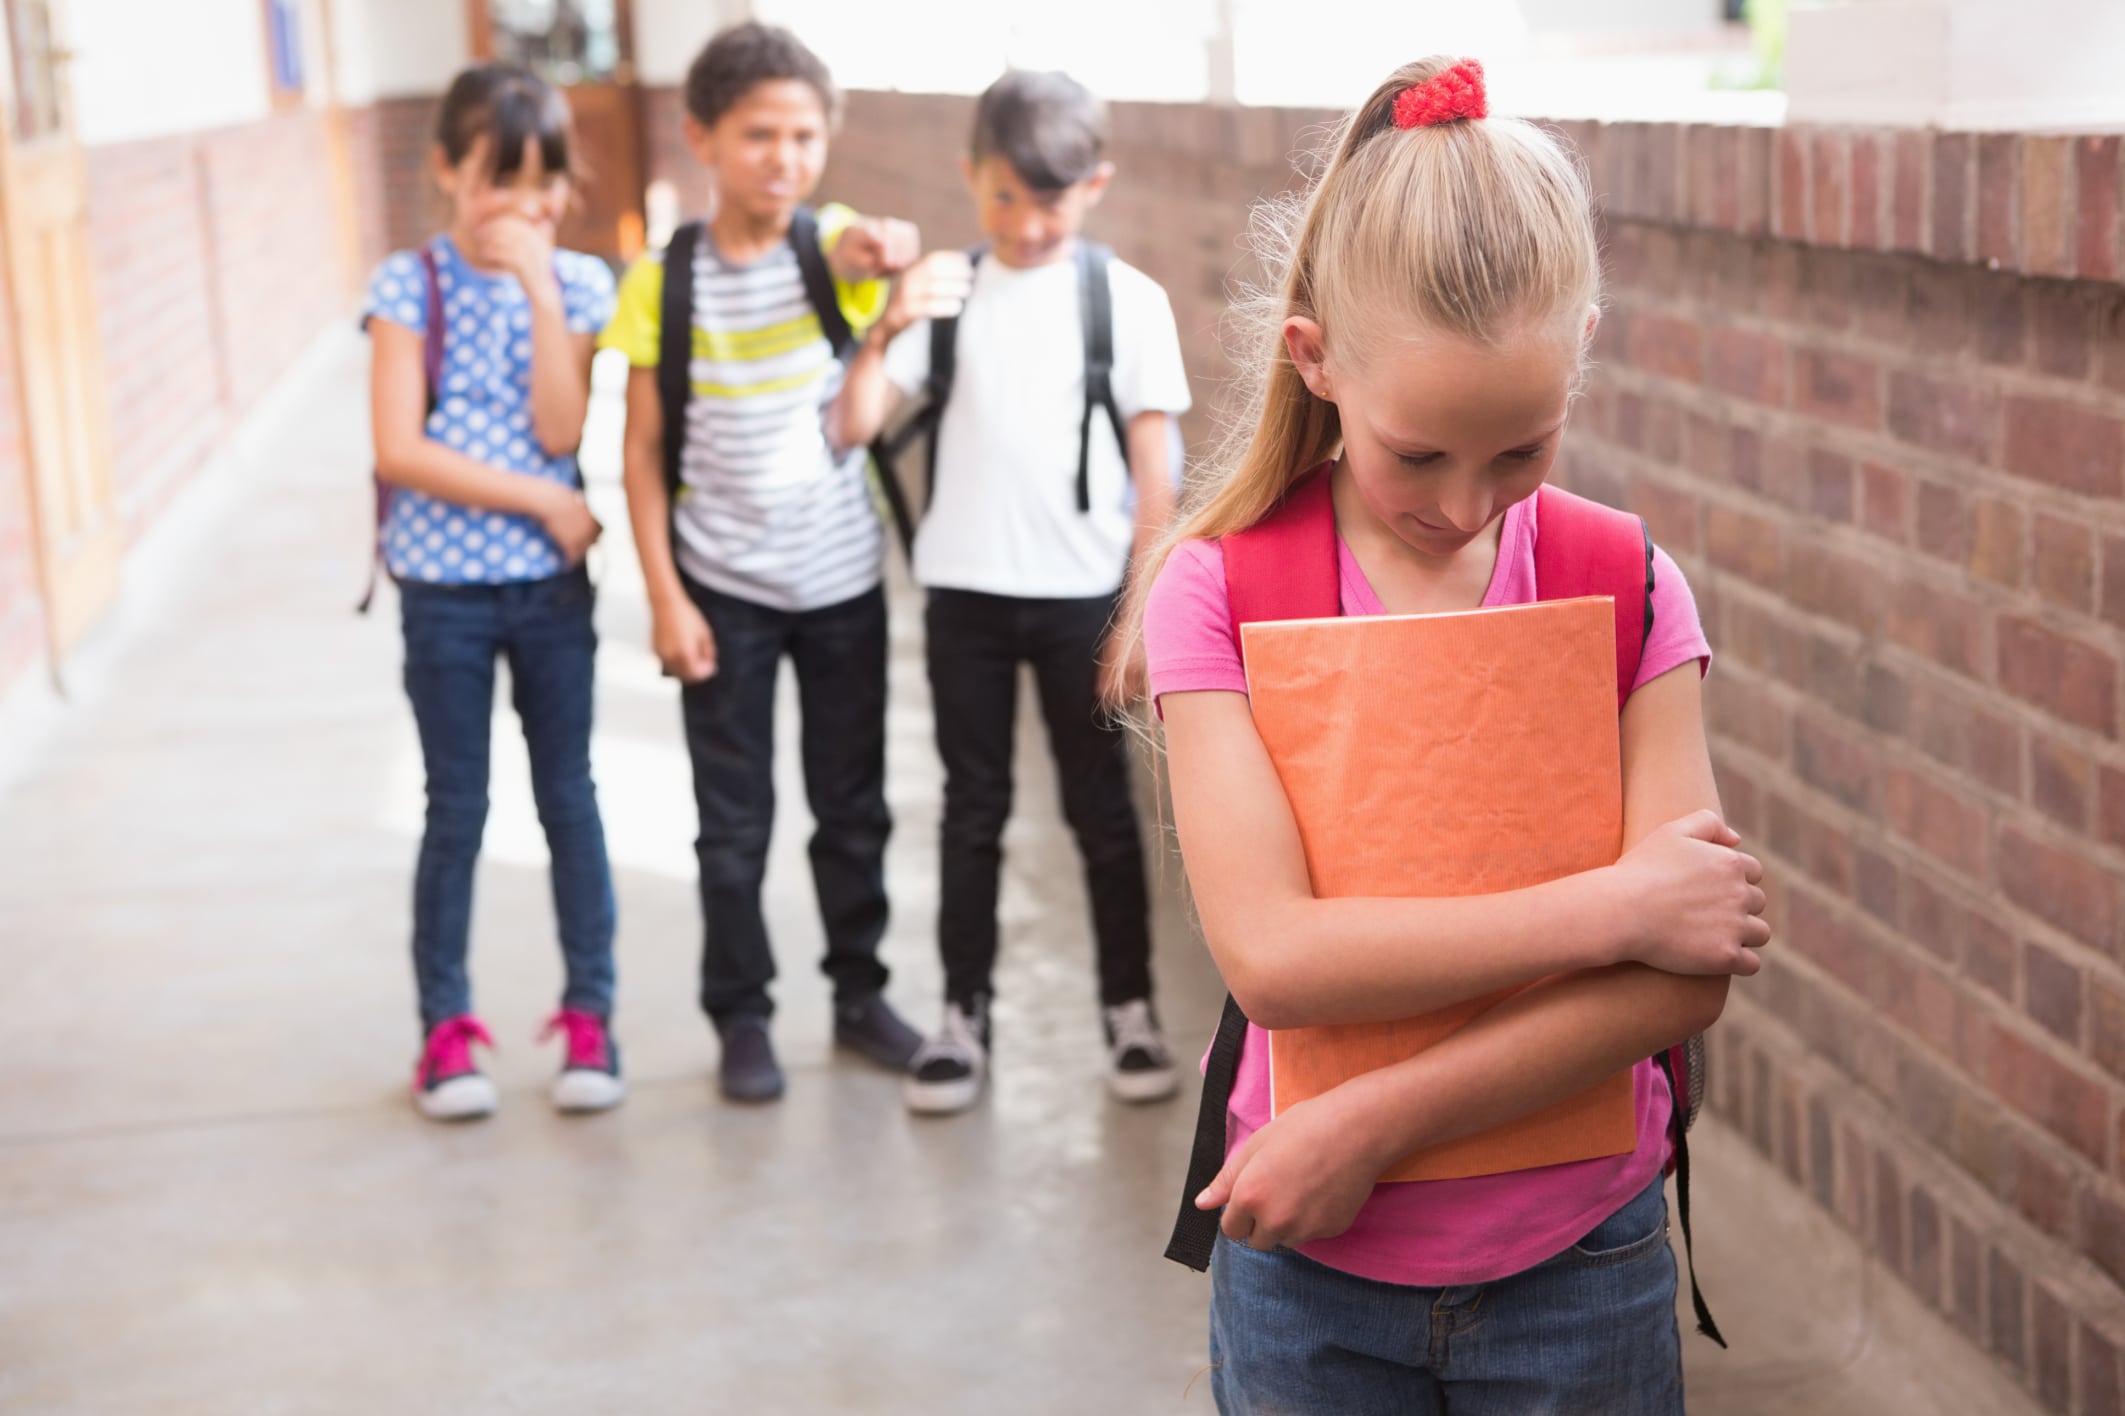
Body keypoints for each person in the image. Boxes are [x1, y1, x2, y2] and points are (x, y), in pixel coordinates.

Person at [1133, 58, 1773, 1411]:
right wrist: (1617, 904)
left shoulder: (1626, 580)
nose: (1468, 504)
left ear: (1581, 345)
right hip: (1308, 1271)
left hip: (1578, 1265)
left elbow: (1684, 977)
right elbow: (1279, 959)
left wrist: (1369, 1121)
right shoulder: (1220, 589)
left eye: (1520, 451)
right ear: (1314, 360)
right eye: (1416, 454)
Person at [835, 70, 1190, 1115]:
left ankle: (1128, 1012)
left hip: (1080, 600)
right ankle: (962, 1016)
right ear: (969, 180)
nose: (1025, 224)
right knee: (970, 808)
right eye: (1001, 199)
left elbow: (1156, 474)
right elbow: (852, 426)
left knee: (1099, 813)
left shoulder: (1123, 301)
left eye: (1049, 200)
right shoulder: (946, 295)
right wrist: (885, 323)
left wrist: (1138, 613)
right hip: (964, 601)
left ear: (1095, 186)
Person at [600, 22, 925, 1102]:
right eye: (756, 136)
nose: (782, 158)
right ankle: (741, 1011)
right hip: (722, 594)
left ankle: (859, 993)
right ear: (700, 136)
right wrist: (663, 595)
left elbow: (859, 246)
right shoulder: (665, 281)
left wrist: (882, 250)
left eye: (802, 135)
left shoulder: (826, 247)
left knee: (853, 807)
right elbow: (641, 457)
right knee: (732, 823)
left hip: (840, 588)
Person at [363, 63, 621, 1122]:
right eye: (495, 180)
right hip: (444, 595)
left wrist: (539, 288)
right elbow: (397, 447)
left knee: (569, 798)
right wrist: (542, 503)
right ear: (444, 171)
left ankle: (590, 1014)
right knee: (456, 806)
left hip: (548, 598)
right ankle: (445, 1029)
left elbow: (561, 429)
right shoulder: (404, 284)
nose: (521, 205)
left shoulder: (580, 286)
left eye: (540, 181)